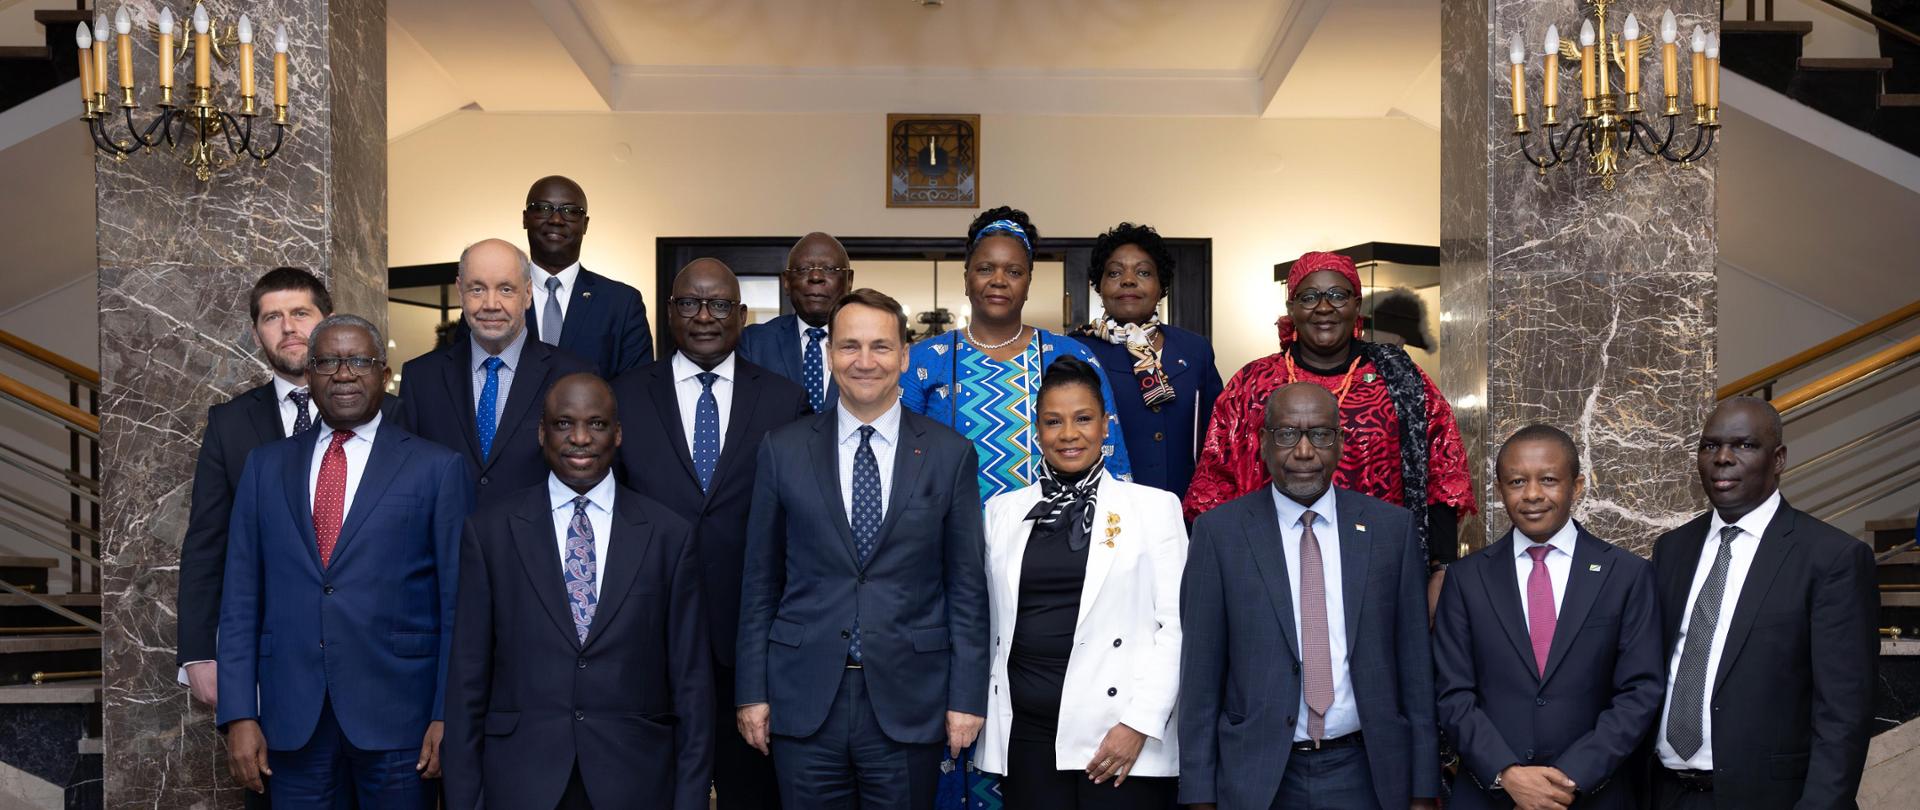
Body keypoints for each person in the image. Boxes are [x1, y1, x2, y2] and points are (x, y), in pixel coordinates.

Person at [898, 207, 1130, 806]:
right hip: (951, 574)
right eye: (985, 269)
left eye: (1013, 271)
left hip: (1056, 575)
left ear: (1031, 281)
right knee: (962, 720)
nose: (998, 280)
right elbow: (902, 470)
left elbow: (1115, 467)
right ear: (966, 277)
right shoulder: (925, 360)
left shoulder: (1069, 358)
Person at [735, 289, 989, 810]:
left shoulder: (949, 455)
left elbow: (965, 587)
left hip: (909, 699)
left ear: (904, 356)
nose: (865, 361)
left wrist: (966, 698)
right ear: (830, 355)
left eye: (880, 346)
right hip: (803, 699)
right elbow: (760, 582)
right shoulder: (782, 449)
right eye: (850, 346)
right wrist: (751, 691)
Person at [216, 315, 471, 808]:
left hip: (402, 721)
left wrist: (448, 714)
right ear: (309, 375)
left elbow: (457, 604)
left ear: (385, 372)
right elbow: (240, 598)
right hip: (291, 721)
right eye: (328, 362)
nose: (344, 374)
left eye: (359, 361)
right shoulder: (265, 467)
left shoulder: (436, 468)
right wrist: (240, 715)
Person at [444, 373, 713, 810]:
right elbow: (467, 681)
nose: (581, 438)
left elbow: (693, 689)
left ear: (619, 433)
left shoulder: (668, 536)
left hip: (635, 780)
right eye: (564, 423)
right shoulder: (489, 532)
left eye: (598, 424)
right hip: (520, 780)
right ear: (542, 433)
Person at [1179, 383, 1437, 810]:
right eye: (1286, 435)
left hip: (1367, 773)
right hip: (1258, 777)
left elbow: (1415, 669)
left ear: (1339, 443)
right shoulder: (1219, 535)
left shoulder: (1391, 531)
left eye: (1319, 435)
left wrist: (1423, 790)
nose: (1303, 452)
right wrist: (1199, 797)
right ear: (1263, 443)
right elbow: (1199, 681)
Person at [612, 258, 808, 809]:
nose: (704, 316)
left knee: (751, 793)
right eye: (689, 303)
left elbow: (796, 526)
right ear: (668, 313)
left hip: (746, 644)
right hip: (646, 635)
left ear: (742, 316)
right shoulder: (623, 396)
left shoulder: (783, 400)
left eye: (720, 304)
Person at [974, 357, 1186, 809]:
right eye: (1053, 421)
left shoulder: (1154, 508)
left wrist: (1139, 725)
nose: (1068, 434)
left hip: (1121, 735)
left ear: (1106, 426)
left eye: (1083, 418)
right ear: (1037, 430)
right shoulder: (1003, 512)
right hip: (1027, 734)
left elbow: (1177, 628)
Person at [1649, 398, 1877, 810]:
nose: (1722, 458)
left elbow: (1843, 712)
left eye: (1744, 445)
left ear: (1779, 459)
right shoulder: (1672, 549)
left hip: (1769, 799)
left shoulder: (1831, 558)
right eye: (1709, 446)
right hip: (1665, 794)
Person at [1183, 251, 1473, 570]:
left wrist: (1442, 565)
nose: (1324, 307)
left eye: (1337, 295)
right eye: (1309, 297)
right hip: (1270, 562)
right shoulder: (1253, 384)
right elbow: (1214, 480)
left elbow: (1443, 467)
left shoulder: (1401, 378)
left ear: (1357, 305)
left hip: (1380, 561)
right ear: (1292, 309)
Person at [1434, 425, 1664, 810]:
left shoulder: (1625, 575)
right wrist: (1506, 773)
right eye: (1517, 481)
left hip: (1593, 795)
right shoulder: (1466, 579)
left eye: (1549, 480)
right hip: (1491, 796)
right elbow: (1452, 693)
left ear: (1576, 487)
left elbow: (1639, 692)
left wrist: (1567, 779)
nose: (1533, 494)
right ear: (1499, 488)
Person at [399, 238, 594, 505]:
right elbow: (406, 480)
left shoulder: (572, 376)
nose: (491, 304)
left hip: (533, 543)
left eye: (505, 289)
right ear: (460, 291)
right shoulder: (420, 378)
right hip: (448, 543)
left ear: (527, 294)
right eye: (477, 289)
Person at [1070, 222, 1222, 499]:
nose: (1128, 280)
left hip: (1184, 509)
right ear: (1099, 286)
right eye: (1115, 272)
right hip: (1106, 509)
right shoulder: (1077, 350)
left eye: (1143, 272)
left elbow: (1218, 433)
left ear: (1161, 285)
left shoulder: (1195, 349)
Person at [522, 175, 654, 377]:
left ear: (585, 224)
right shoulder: (493, 298)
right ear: (525, 218)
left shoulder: (622, 303)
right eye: (542, 208)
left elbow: (637, 390)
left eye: (571, 211)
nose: (556, 220)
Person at [739, 232, 855, 413]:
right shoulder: (754, 342)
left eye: (830, 269)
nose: (816, 277)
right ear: (786, 282)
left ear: (849, 281)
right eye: (803, 269)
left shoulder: (869, 346)